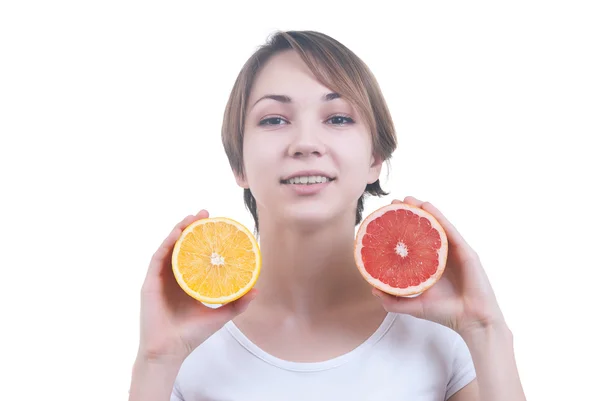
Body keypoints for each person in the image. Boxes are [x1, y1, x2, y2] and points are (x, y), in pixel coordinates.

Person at [128, 30, 526, 401]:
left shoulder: (444, 333)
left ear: (375, 158)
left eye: (338, 118)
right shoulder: (186, 344)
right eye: (273, 120)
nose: (305, 143)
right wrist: (156, 361)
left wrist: (485, 329)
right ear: (239, 165)